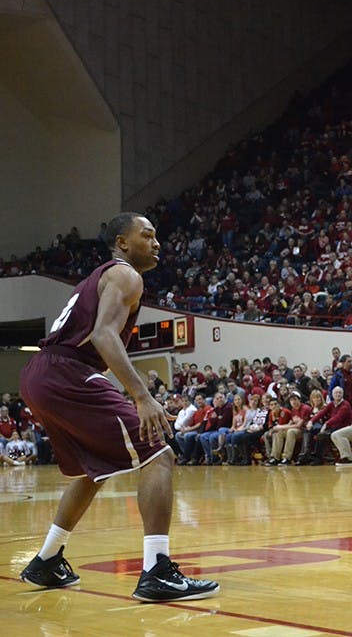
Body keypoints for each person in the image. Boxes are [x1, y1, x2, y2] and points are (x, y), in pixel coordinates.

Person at [18, 212, 217, 601]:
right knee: (159, 450)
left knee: (96, 470)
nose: (157, 242)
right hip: (65, 372)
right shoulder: (126, 274)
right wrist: (142, 396)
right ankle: (156, 571)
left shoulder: (100, 277)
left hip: (42, 375)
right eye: (148, 235)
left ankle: (46, 560)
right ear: (122, 242)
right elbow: (104, 334)